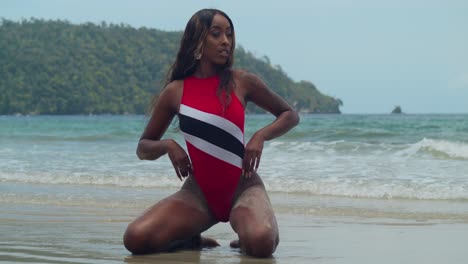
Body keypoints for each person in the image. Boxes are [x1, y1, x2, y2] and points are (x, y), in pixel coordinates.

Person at [123, 8, 299, 258]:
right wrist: (168, 146)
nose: (225, 41)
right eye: (216, 34)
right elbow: (143, 147)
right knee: (135, 238)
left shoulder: (243, 81)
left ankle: (247, 237)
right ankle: (190, 238)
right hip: (199, 194)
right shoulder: (176, 91)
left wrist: (260, 136)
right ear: (197, 41)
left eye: (229, 34)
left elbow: (290, 114)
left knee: (261, 243)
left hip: (243, 187)